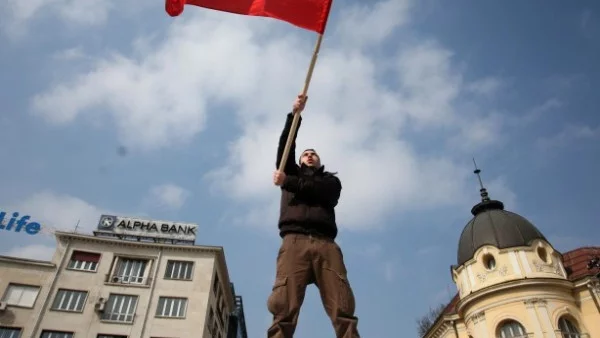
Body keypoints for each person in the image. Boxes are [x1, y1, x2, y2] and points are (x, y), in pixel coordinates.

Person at [267, 94, 360, 338]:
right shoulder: (289, 171)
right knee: (283, 308)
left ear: (319, 162)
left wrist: (289, 182)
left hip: (326, 245)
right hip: (293, 242)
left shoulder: (330, 181)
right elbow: (286, 145)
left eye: (313, 154)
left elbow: (322, 192)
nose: (309, 155)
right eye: (305, 154)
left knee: (343, 307)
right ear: (298, 160)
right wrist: (294, 116)